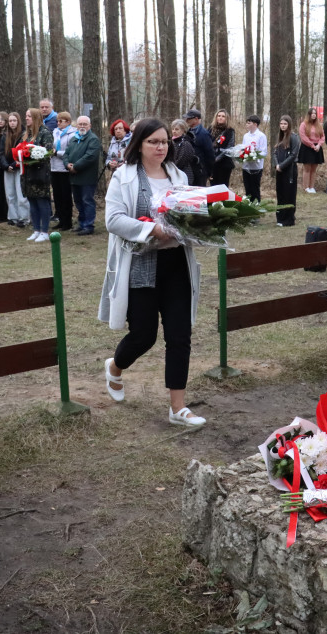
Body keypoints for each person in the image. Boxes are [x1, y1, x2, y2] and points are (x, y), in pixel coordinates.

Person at [98, 118, 206, 427]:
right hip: (140, 264)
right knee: (144, 336)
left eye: (164, 142)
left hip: (176, 265)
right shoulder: (124, 176)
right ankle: (115, 367)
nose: (161, 147)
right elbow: (114, 220)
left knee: (179, 336)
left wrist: (204, 227)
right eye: (153, 142)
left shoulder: (179, 175)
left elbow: (189, 214)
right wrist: (152, 229)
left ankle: (178, 407)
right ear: (139, 144)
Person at [21, 108, 54, 243]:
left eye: (29, 116)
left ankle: (45, 231)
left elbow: (48, 152)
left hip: (40, 172)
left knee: (42, 200)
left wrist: (33, 157)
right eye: (26, 116)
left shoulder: (45, 133)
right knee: (32, 201)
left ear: (35, 118)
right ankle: (36, 229)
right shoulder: (27, 134)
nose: (26, 118)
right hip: (28, 172)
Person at [66, 115, 102, 235]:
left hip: (87, 177)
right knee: (78, 201)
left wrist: (75, 166)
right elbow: (66, 154)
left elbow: (90, 156)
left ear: (89, 126)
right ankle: (81, 223)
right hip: (74, 177)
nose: (82, 126)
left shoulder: (93, 139)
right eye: (80, 124)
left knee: (87, 201)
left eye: (84, 124)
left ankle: (88, 225)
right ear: (77, 126)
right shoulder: (74, 139)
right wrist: (67, 165)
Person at [0, 111, 29, 227]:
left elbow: (24, 151)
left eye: (14, 121)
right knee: (10, 194)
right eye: (10, 121)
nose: (12, 123)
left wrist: (14, 164)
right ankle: (13, 217)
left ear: (18, 121)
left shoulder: (24, 134)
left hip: (20, 166)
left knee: (21, 194)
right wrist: (6, 165)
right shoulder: (4, 135)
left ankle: (24, 218)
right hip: (7, 168)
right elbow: (1, 153)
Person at [50, 111, 75, 230]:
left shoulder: (72, 134)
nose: (58, 123)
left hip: (65, 168)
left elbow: (71, 152)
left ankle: (67, 221)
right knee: (57, 195)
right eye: (57, 121)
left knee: (66, 196)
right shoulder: (55, 132)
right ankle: (60, 219)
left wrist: (57, 153)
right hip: (54, 167)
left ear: (68, 122)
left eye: (61, 121)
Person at [273, 115, 300, 227]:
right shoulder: (279, 137)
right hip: (279, 170)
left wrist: (282, 165)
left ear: (289, 125)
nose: (283, 126)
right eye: (281, 124)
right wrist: (276, 165)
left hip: (289, 171)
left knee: (289, 194)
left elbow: (293, 155)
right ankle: (280, 218)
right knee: (281, 194)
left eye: (285, 124)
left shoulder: (294, 137)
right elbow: (274, 152)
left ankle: (289, 219)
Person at [298, 107, 325, 194]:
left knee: (314, 168)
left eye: (315, 113)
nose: (313, 115)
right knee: (307, 168)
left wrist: (319, 145)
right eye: (312, 113)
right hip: (307, 148)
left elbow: (322, 136)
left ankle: (312, 186)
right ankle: (306, 187)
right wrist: (312, 145)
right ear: (309, 115)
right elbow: (303, 137)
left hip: (317, 148)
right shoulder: (303, 124)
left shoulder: (319, 125)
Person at [184, 108, 214, 186]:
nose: (186, 120)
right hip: (190, 170)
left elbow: (209, 154)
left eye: (189, 118)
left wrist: (209, 172)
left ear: (196, 119)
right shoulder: (187, 132)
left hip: (200, 170)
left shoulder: (204, 134)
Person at [240, 114, 267, 200]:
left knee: (255, 188)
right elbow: (243, 148)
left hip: (256, 167)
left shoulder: (261, 136)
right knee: (247, 188)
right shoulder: (245, 136)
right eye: (246, 123)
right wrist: (243, 154)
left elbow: (263, 152)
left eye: (249, 123)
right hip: (246, 166)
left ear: (255, 124)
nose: (247, 124)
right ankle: (248, 205)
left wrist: (254, 156)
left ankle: (256, 204)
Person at [208, 108, 235, 188]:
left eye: (223, 116)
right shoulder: (210, 129)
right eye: (219, 116)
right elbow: (207, 144)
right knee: (213, 186)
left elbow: (229, 147)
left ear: (226, 119)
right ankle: (214, 201)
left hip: (224, 163)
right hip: (212, 163)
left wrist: (217, 158)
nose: (220, 117)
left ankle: (222, 201)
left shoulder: (230, 131)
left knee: (222, 186)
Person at [169, 119, 197, 185]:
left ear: (183, 130)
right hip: (173, 172)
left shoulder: (185, 143)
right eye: (173, 129)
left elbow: (182, 160)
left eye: (176, 129)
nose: (174, 131)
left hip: (184, 173)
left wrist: (172, 168)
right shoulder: (171, 142)